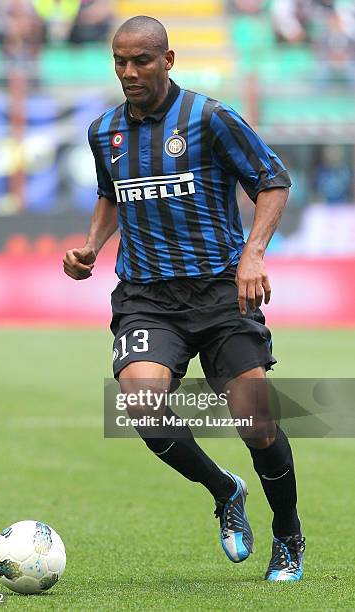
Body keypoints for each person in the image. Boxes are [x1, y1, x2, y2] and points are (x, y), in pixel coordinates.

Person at [63, 15, 305, 582]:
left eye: (141, 60)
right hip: (147, 294)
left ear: (168, 60)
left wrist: (254, 254)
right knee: (141, 404)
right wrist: (92, 246)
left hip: (220, 289)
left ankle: (288, 536)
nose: (128, 72)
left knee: (256, 421)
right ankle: (225, 490)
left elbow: (273, 180)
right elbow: (111, 193)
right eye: (120, 61)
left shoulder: (211, 118)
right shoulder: (104, 131)